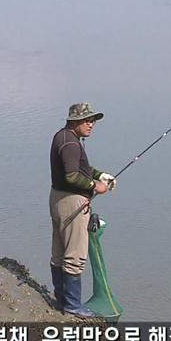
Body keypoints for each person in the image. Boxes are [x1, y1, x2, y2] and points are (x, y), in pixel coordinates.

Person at [49, 103, 116, 318]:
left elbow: (80, 168)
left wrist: (99, 174)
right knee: (75, 255)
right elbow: (72, 176)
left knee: (59, 253)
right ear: (74, 120)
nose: (91, 124)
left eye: (93, 120)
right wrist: (95, 186)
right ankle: (72, 305)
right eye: (87, 120)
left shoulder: (63, 137)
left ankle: (62, 298)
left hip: (58, 198)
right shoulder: (71, 144)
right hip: (72, 203)